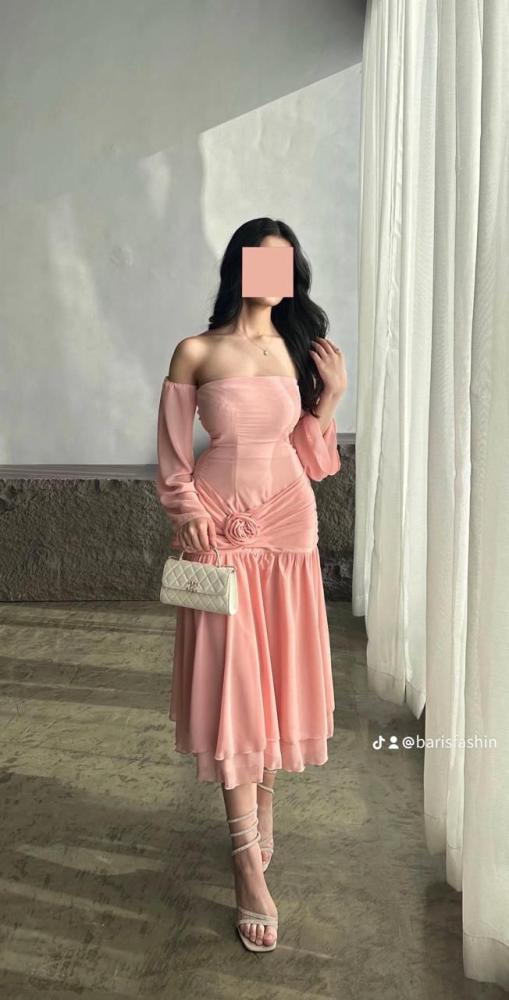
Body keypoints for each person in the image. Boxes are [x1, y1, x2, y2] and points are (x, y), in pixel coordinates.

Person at [155, 217, 347, 953]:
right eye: (262, 262)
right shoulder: (196, 351)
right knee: (234, 686)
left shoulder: (299, 349)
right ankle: (244, 863)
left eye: (285, 264)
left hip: (289, 526)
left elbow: (314, 461)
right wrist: (190, 514)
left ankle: (263, 814)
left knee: (277, 679)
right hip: (220, 528)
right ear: (237, 267)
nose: (274, 276)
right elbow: (173, 458)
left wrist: (329, 400)